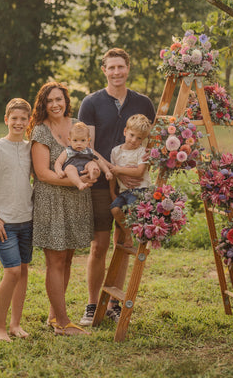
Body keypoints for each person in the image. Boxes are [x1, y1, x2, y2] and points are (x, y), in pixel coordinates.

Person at [78, 48, 155, 325]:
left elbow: (152, 143)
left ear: (128, 68)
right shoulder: (91, 102)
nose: (116, 72)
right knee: (99, 245)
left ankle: (114, 303)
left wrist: (141, 171)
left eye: (120, 67)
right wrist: (111, 169)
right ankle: (91, 304)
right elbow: (87, 144)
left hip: (133, 188)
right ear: (104, 70)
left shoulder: (144, 103)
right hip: (101, 182)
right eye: (111, 67)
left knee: (124, 243)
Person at [28, 81, 95, 336]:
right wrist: (74, 181)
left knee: (67, 259)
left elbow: (90, 155)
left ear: (66, 100)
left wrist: (93, 172)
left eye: (59, 99)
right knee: (55, 261)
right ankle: (63, 323)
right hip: (52, 202)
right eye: (50, 100)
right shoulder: (41, 132)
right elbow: (43, 174)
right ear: (43, 105)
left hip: (76, 202)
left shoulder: (78, 126)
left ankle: (54, 315)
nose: (55, 104)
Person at [0, 98, 33, 342]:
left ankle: (15, 325)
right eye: (14, 118)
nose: (18, 123)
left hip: (27, 219)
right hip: (5, 222)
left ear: (28, 121)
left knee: (22, 271)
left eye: (23, 119)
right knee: (11, 271)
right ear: (6, 120)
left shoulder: (30, 148)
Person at [109, 114, 152, 234]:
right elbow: (113, 175)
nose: (134, 140)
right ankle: (128, 233)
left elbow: (139, 172)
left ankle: (139, 234)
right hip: (124, 191)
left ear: (143, 140)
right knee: (115, 209)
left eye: (139, 138)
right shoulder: (115, 151)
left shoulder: (141, 152)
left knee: (132, 209)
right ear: (125, 131)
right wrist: (112, 192)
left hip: (140, 190)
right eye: (132, 135)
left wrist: (120, 170)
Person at [54, 122, 113, 190]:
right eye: (75, 140)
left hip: (85, 170)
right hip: (73, 172)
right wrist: (59, 171)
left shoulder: (89, 152)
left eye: (82, 140)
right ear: (70, 140)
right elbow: (58, 162)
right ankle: (79, 183)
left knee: (92, 163)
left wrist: (107, 171)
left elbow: (100, 162)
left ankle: (93, 173)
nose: (79, 143)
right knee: (69, 168)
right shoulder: (67, 151)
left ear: (88, 141)